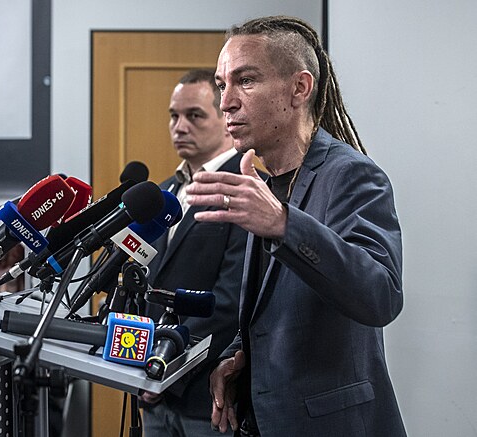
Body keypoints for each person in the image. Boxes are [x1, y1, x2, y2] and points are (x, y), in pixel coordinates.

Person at [184, 16, 406, 436]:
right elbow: (276, 306)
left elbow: (381, 296)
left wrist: (284, 224)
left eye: (245, 81)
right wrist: (238, 355)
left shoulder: (352, 175)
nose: (226, 102)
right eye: (222, 84)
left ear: (299, 88)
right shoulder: (265, 183)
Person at [139, 69, 260, 436]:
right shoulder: (162, 193)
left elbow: (230, 300)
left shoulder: (247, 190)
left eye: (194, 115)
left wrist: (165, 361)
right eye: (174, 116)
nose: (180, 127)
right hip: (151, 390)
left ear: (225, 120)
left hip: (207, 396)